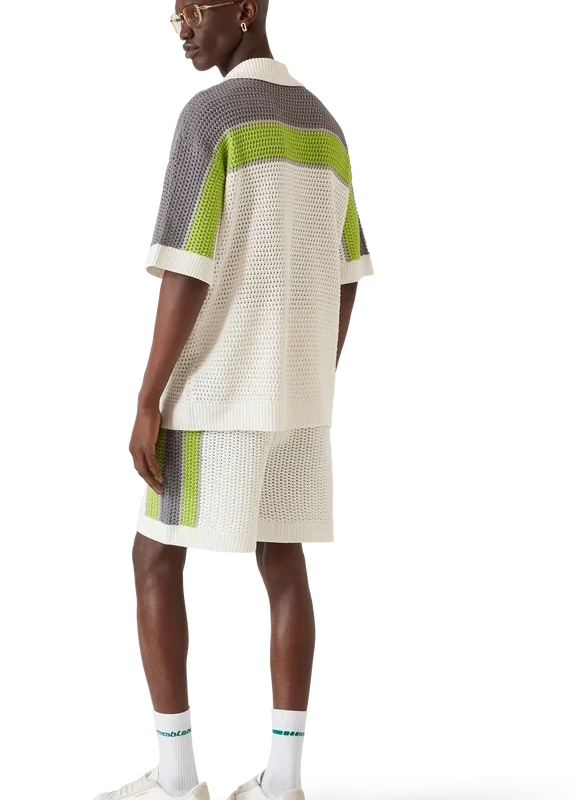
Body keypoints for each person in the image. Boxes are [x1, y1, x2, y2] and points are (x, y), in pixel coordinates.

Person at [114, 1, 374, 798]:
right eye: (175, 17)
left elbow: (185, 268)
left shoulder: (213, 115)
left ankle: (176, 773)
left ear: (246, 10)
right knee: (286, 563)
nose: (184, 31)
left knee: (155, 557)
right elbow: (348, 274)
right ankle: (284, 777)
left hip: (215, 392)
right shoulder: (325, 126)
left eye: (196, 11)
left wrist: (150, 398)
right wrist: (316, 371)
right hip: (297, 396)